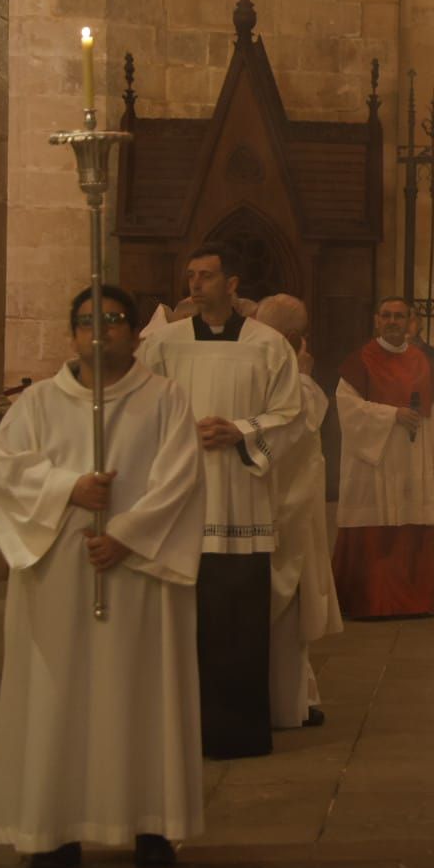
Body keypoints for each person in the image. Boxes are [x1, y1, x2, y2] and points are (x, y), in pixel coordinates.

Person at [0, 286, 205, 868]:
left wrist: (127, 533)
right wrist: (67, 489)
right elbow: (5, 474)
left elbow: (181, 477)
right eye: (87, 321)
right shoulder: (35, 406)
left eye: (112, 319)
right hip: (60, 574)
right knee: (57, 699)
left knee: (145, 695)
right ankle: (53, 831)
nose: (99, 330)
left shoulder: (165, 400)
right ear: (72, 333)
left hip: (138, 573)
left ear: (134, 331)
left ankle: (153, 825)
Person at [138, 243, 303, 759]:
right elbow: (139, 407)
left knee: (239, 623)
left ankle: (238, 733)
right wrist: (178, 435)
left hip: (241, 501)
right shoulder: (163, 345)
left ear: (232, 284)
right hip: (181, 500)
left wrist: (242, 431)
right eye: (191, 276)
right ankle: (178, 734)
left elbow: (291, 416)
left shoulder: (268, 344)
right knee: (185, 624)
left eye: (206, 276)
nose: (195, 284)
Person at [254, 294, 343, 730]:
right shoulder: (286, 373)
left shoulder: (258, 364)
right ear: (292, 338)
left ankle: (300, 695)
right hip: (284, 505)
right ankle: (287, 703)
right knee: (286, 610)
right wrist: (306, 377)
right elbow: (299, 427)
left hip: (282, 499)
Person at [331, 297, 434, 619]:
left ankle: (414, 602)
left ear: (410, 320)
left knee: (410, 520)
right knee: (373, 523)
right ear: (376, 320)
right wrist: (391, 415)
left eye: (399, 316)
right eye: (387, 316)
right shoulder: (360, 360)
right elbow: (347, 409)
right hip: (373, 461)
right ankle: (369, 602)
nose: (393, 321)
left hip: (412, 455)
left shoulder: (423, 361)